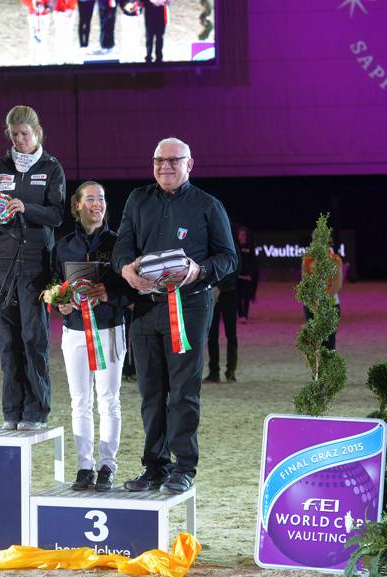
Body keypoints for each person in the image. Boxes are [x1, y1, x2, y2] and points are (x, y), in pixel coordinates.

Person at [112, 137, 236, 494]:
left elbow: (228, 259)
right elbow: (123, 246)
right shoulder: (137, 199)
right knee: (151, 391)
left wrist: (199, 271)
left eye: (173, 161)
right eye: (158, 161)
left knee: (183, 391)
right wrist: (125, 269)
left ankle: (183, 467)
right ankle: (154, 466)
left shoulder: (208, 206)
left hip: (190, 309)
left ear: (189, 164)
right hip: (146, 310)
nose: (165, 167)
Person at [0, 105, 65, 431]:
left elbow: (57, 215)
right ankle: (12, 411)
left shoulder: (52, 168)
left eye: (25, 134)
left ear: (37, 133)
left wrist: (27, 207)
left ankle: (37, 410)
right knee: (7, 341)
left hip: (35, 266)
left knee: (32, 338)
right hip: (1, 265)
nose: (20, 140)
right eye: (14, 135)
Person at [52, 181, 129, 492]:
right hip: (74, 331)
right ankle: (85, 465)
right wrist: (61, 302)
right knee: (79, 402)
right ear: (77, 205)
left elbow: (130, 289)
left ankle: (107, 465)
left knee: (109, 400)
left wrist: (108, 295)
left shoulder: (120, 244)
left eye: (102, 198)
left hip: (110, 330)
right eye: (91, 199)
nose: (97, 204)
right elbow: (53, 287)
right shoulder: (62, 247)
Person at [205, 238, 241, 383]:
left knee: (231, 334)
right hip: (212, 293)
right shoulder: (209, 244)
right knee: (212, 334)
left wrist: (220, 287)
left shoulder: (232, 244)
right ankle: (214, 372)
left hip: (229, 294)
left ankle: (231, 371)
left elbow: (236, 268)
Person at [301, 247, 343, 351]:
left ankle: (328, 358)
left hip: (330, 303)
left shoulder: (335, 260)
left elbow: (337, 283)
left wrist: (324, 300)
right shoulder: (307, 259)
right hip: (311, 303)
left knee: (329, 336)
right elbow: (306, 281)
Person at [236, 226, 258, 322]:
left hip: (247, 277)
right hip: (237, 277)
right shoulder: (235, 247)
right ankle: (240, 314)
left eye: (244, 235)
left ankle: (245, 316)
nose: (242, 236)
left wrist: (251, 274)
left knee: (246, 297)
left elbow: (253, 262)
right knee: (238, 297)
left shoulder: (250, 247)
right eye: (241, 235)